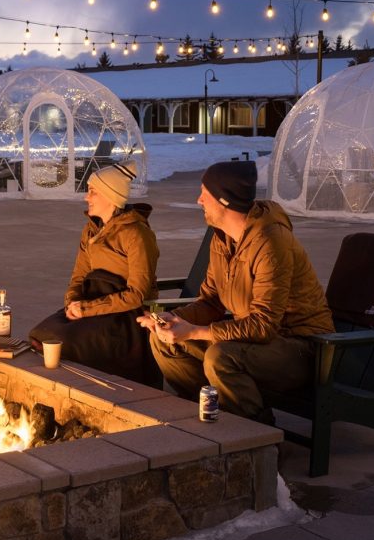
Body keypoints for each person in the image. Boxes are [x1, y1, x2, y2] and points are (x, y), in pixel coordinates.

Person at [139, 160, 334, 422]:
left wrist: (195, 331)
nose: (198, 201)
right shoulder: (222, 238)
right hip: (255, 342)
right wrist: (172, 319)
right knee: (165, 343)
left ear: (224, 201)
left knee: (221, 358)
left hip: (301, 348)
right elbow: (210, 303)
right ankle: (212, 419)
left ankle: (260, 438)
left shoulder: (271, 242)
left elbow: (264, 325)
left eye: (204, 194)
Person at [28, 160, 161, 386]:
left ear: (111, 196)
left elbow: (136, 294)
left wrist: (87, 310)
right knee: (41, 334)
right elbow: (79, 275)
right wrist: (73, 302)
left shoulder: (136, 234)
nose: (85, 197)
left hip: (123, 314)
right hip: (91, 302)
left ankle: (86, 389)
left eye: (92, 192)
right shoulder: (91, 229)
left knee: (66, 341)